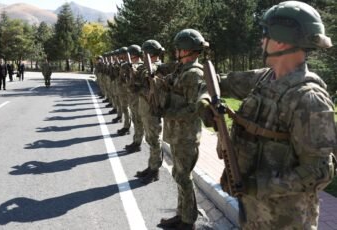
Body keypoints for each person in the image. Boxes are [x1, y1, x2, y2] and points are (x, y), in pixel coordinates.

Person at [204, 1, 336, 229]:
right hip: (252, 212)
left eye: (265, 34)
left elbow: (319, 172)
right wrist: (205, 102)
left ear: (281, 40)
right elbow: (217, 82)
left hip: (286, 221)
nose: (261, 40)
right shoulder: (264, 78)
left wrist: (258, 185)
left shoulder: (309, 100)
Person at [158, 29, 208, 230]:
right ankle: (182, 215)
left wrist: (168, 112)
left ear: (187, 50)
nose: (176, 52)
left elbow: (193, 108)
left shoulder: (194, 74)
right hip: (177, 133)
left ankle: (188, 221)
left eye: (178, 48)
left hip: (185, 136)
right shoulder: (181, 70)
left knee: (184, 177)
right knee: (179, 176)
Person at [131, 40, 164, 184]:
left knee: (155, 140)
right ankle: (151, 166)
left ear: (150, 53)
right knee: (150, 140)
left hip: (152, 110)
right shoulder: (146, 67)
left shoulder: (158, 68)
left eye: (144, 53)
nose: (142, 56)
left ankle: (155, 170)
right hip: (145, 109)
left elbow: (153, 85)